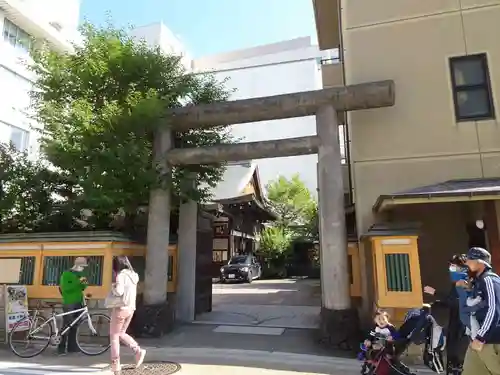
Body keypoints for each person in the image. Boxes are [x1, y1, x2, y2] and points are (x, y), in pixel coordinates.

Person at [424, 255, 470, 375]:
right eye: (450, 266)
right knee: (452, 353)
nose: (451, 268)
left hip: (463, 325)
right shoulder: (457, 283)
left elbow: (454, 301)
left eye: (454, 266)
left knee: (458, 354)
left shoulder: (465, 282)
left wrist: (435, 293)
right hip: (456, 321)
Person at [462, 247, 500, 375]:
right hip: (476, 339)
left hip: (490, 340)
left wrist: (481, 337)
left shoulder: (489, 280)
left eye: (470, 260)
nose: (467, 263)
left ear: (480, 263)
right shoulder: (477, 283)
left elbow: (493, 309)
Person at [108, 256, 145, 374]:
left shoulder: (121, 276)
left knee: (114, 337)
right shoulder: (134, 275)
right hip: (131, 308)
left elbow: (119, 292)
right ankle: (138, 350)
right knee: (121, 333)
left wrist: (113, 287)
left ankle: (116, 365)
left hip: (120, 308)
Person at [58, 257, 89, 355]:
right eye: (82, 267)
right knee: (67, 324)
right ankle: (61, 347)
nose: (83, 269)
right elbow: (66, 288)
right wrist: (78, 282)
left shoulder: (81, 274)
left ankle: (72, 346)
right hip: (69, 301)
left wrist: (84, 282)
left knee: (75, 324)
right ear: (78, 265)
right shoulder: (66, 274)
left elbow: (84, 287)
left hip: (79, 301)